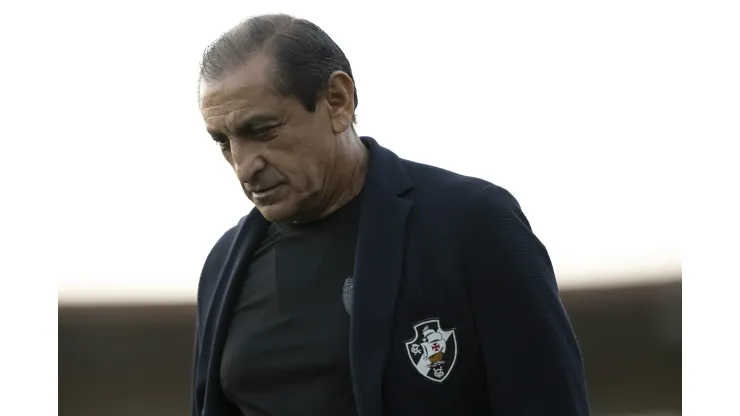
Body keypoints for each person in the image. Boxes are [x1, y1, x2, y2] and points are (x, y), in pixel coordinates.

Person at [191, 13, 590, 416]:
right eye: (224, 142)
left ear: (337, 101)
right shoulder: (224, 265)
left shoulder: (472, 225)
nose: (243, 166)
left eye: (262, 130)